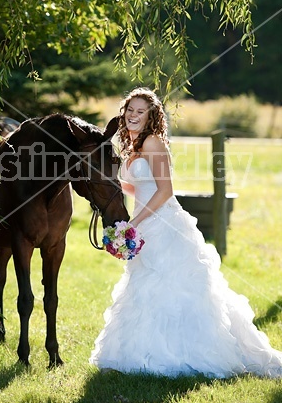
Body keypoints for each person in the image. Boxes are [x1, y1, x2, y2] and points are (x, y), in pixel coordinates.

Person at [89, 87, 282, 378]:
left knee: (173, 286)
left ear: (151, 116)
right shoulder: (132, 145)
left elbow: (165, 191)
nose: (133, 115)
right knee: (144, 287)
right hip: (143, 226)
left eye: (141, 111)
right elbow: (136, 186)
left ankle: (185, 352)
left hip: (164, 224)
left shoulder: (153, 142)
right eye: (130, 110)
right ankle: (145, 352)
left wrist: (133, 222)